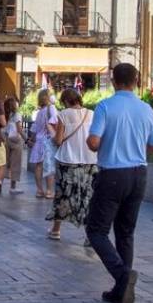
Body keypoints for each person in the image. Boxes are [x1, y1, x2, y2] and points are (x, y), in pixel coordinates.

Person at [85, 63, 153, 303]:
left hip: (113, 175)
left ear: (114, 80)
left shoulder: (106, 106)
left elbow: (94, 142)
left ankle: (122, 276)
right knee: (125, 233)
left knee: (96, 230)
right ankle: (120, 292)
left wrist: (94, 140)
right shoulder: (146, 109)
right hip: (139, 174)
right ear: (136, 81)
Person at [46, 88, 97, 242]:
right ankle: (90, 235)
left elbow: (58, 140)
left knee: (63, 195)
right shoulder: (92, 114)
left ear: (66, 101)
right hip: (90, 160)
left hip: (67, 161)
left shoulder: (63, 115)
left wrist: (52, 133)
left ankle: (56, 230)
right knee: (88, 197)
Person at [29, 89, 58, 199]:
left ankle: (39, 190)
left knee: (38, 166)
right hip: (48, 141)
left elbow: (35, 128)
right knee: (49, 166)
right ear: (48, 97)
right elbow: (55, 123)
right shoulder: (52, 108)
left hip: (39, 141)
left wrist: (30, 140)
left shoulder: (40, 112)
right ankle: (49, 191)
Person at [3, 96, 25, 195]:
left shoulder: (5, 115)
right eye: (16, 102)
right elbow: (19, 129)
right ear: (14, 105)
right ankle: (12, 187)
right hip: (16, 141)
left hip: (6, 139)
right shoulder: (17, 115)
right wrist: (27, 139)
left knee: (5, 163)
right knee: (15, 164)